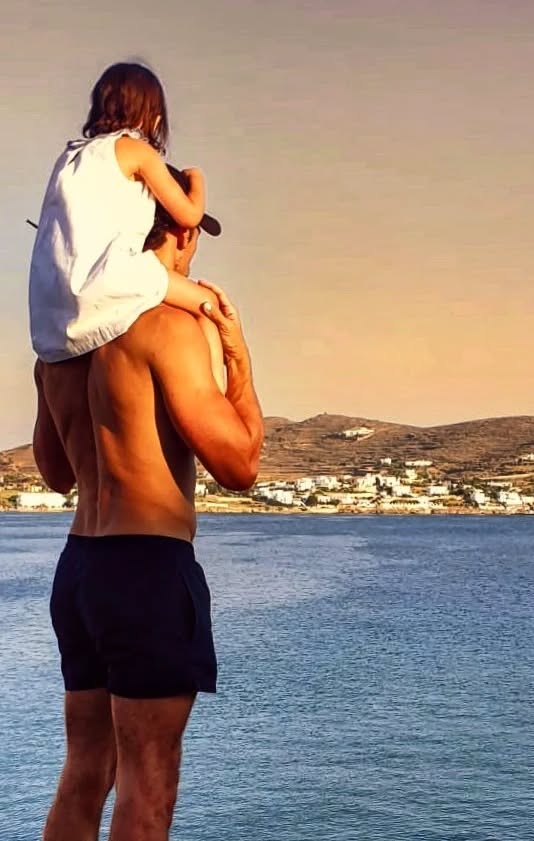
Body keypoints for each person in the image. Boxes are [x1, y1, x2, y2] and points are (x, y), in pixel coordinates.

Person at [33, 167, 264, 841]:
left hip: (79, 570)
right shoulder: (167, 324)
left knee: (85, 770)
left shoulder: (60, 343)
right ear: (182, 232)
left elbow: (54, 474)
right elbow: (239, 464)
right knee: (149, 778)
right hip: (146, 566)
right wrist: (238, 358)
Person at [29, 61, 225, 389]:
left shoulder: (69, 158)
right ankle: (215, 391)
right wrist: (197, 179)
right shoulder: (137, 151)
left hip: (56, 302)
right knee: (209, 306)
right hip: (112, 277)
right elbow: (188, 216)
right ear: (153, 116)